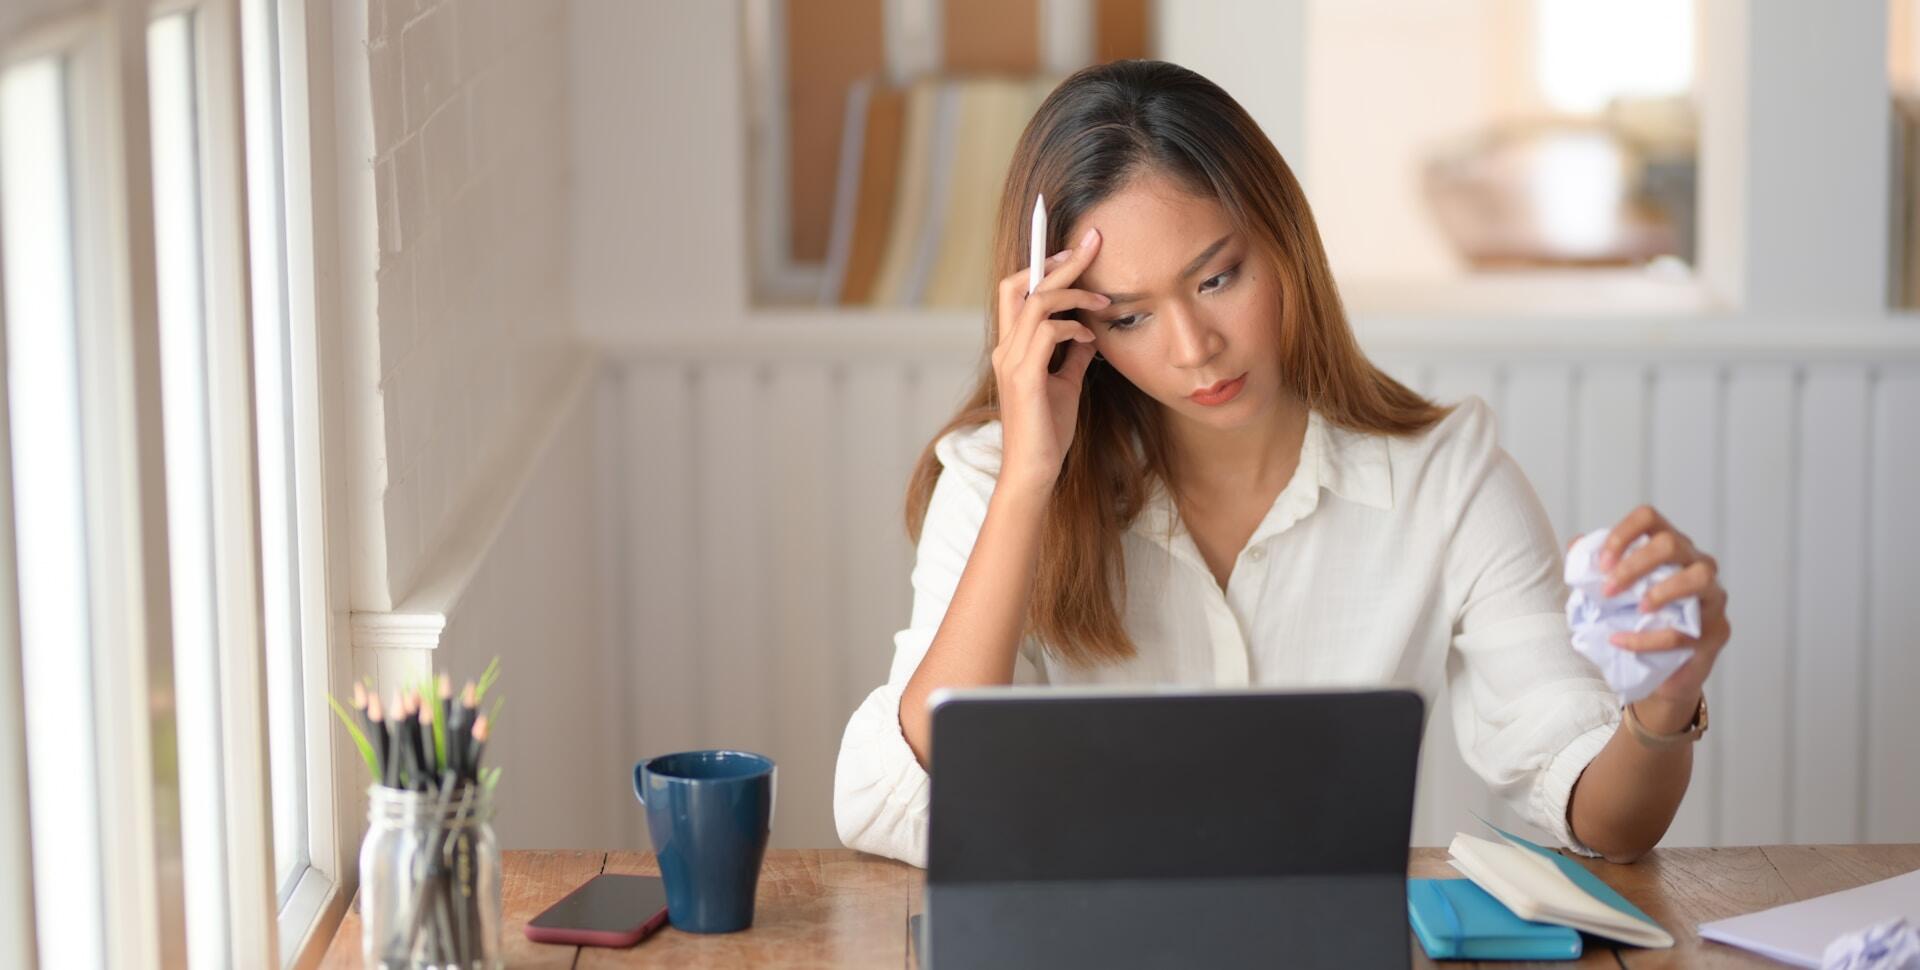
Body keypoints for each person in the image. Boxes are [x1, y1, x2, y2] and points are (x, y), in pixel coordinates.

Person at [832, 60, 1731, 869]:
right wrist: (1031, 475)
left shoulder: (1446, 477)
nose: (1194, 348)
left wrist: (1662, 708)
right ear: (1070, 322)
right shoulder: (999, 480)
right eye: (1128, 317)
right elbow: (894, 799)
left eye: (1218, 278)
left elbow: (1601, 818)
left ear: (1285, 243)